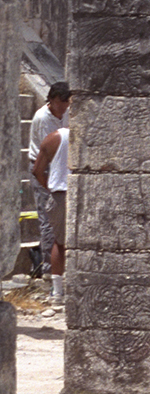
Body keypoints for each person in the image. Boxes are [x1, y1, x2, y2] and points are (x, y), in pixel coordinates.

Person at [28, 82, 71, 276]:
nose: (62, 108)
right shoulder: (42, 118)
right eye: (59, 103)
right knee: (47, 220)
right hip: (43, 167)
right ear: (51, 100)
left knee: (60, 221)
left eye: (66, 103)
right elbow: (47, 152)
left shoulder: (67, 113)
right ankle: (47, 269)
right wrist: (49, 186)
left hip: (60, 168)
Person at [31, 126, 68, 307]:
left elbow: (37, 170)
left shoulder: (53, 138)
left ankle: (58, 293)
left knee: (59, 243)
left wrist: (50, 188)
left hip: (60, 193)